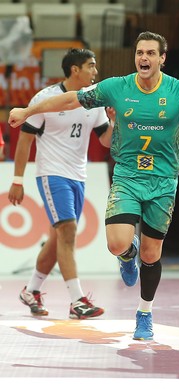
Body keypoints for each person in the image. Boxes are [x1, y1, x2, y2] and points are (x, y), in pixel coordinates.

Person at [8, 31, 179, 340]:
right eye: (139, 52)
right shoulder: (117, 87)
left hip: (163, 180)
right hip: (128, 176)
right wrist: (28, 111)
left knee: (151, 252)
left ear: (162, 59)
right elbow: (70, 98)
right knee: (117, 243)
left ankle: (144, 313)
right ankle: (125, 256)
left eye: (150, 53)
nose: (143, 57)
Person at [8, 48, 114, 319]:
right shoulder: (46, 99)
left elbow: (105, 140)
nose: (95, 72)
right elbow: (25, 140)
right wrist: (17, 180)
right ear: (74, 70)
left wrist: (115, 120)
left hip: (79, 175)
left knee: (58, 239)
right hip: (52, 173)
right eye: (91, 66)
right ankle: (77, 300)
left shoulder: (95, 101)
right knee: (67, 231)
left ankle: (30, 290)